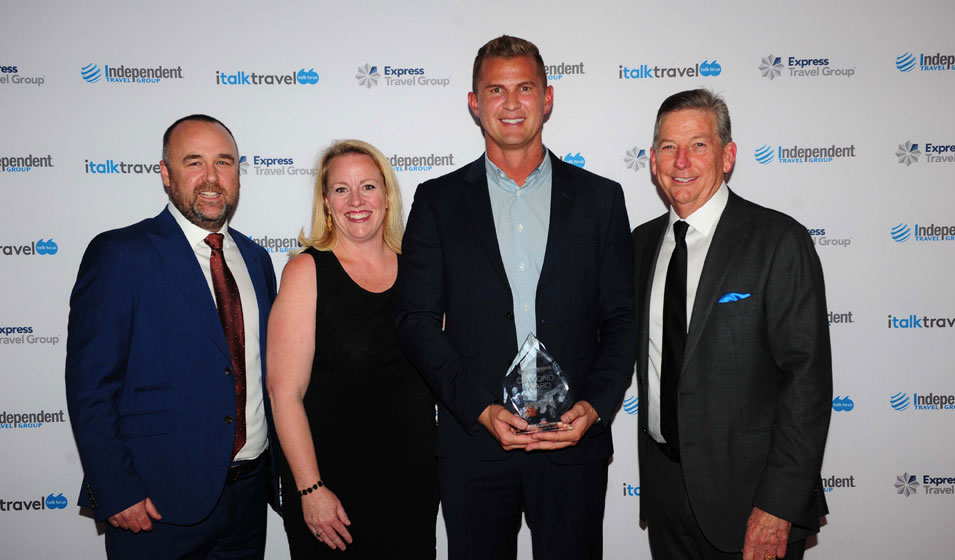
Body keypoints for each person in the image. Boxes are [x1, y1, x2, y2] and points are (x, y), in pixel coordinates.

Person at [395, 35, 635, 559]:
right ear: (474, 103)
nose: (511, 103)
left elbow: (622, 319)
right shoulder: (437, 201)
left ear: (547, 98)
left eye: (525, 88)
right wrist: (479, 409)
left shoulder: (600, 199)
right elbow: (415, 320)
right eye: (495, 90)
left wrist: (594, 407)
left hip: (573, 444)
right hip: (474, 445)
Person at [65, 114, 278, 559]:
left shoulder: (256, 259)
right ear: (165, 173)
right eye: (194, 162)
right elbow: (91, 386)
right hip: (154, 504)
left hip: (249, 497)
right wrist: (115, 489)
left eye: (224, 162)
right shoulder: (120, 253)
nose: (211, 177)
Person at [632, 88, 832, 560]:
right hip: (665, 495)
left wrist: (777, 505)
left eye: (698, 145)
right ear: (653, 161)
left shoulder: (778, 241)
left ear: (727, 157)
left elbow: (807, 382)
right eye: (668, 146)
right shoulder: (639, 245)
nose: (681, 161)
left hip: (751, 501)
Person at [267, 139, 438, 558]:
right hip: (332, 494)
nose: (356, 201)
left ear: (387, 195)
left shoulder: (419, 268)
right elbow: (283, 393)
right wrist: (310, 489)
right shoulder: (306, 271)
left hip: (411, 488)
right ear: (326, 202)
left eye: (368, 186)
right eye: (341, 189)